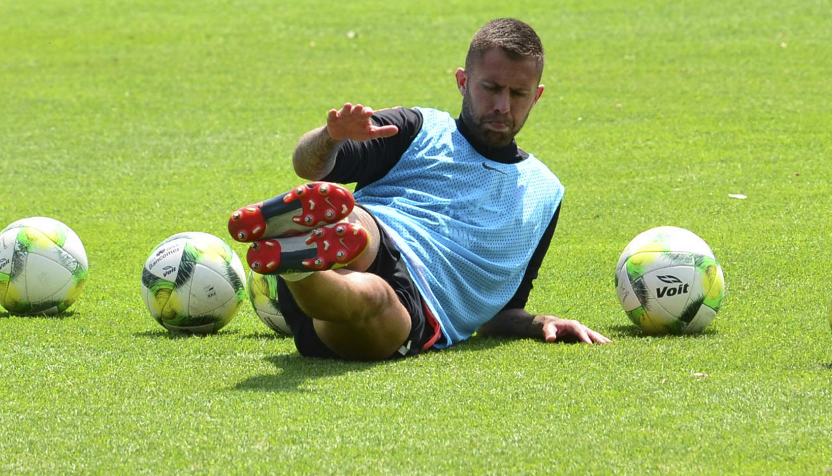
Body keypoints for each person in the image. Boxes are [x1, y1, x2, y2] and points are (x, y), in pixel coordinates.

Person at [229, 18, 611, 361]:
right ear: (463, 81)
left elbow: (501, 312)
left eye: (517, 94)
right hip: (367, 237)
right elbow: (307, 167)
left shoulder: (545, 192)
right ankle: (308, 237)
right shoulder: (417, 127)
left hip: (406, 304)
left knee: (374, 298)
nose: (501, 105)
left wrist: (540, 322)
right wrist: (329, 138)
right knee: (354, 221)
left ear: (537, 96)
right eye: (490, 88)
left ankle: (296, 262)